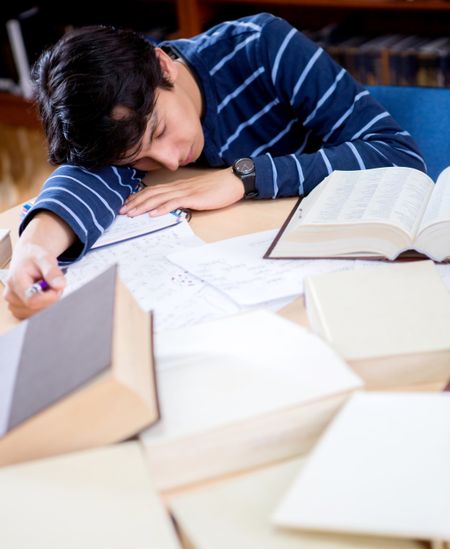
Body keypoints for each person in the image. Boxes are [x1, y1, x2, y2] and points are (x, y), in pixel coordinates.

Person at [5, 12, 425, 319]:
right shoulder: (124, 128)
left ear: (163, 66)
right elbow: (85, 178)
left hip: (347, 276)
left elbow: (394, 153)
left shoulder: (263, 46)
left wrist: (245, 177)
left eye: (159, 131)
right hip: (247, 294)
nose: (168, 160)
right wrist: (33, 249)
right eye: (140, 160)